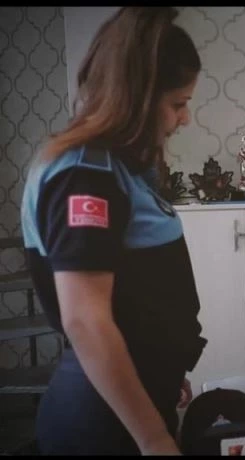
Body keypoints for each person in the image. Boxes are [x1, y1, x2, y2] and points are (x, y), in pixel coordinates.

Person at [20, 7, 206, 455]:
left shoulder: (117, 168)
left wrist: (165, 371)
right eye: (178, 104)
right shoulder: (85, 175)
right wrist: (154, 438)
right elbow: (85, 320)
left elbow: (136, 299)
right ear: (137, 98)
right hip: (101, 423)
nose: (185, 119)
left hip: (131, 398)